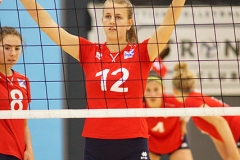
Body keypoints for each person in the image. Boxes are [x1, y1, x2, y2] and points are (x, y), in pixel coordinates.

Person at [16, 0, 186, 159]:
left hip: (133, 141)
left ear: (129, 23)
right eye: (108, 16)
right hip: (96, 141)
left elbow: (168, 23)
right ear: (102, 20)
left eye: (118, 17)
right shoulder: (88, 51)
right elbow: (47, 24)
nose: (112, 21)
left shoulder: (142, 52)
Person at [172, 62, 240, 160]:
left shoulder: (191, 101)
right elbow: (215, 136)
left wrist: (235, 156)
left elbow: (220, 122)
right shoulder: (194, 99)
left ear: (174, 90)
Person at [0, 26, 34, 160]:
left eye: (17, 48)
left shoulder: (23, 81)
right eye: (7, 48)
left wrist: (29, 149)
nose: (13, 53)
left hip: (18, 152)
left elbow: (24, 123)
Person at [144, 70, 193, 160]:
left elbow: (188, 106)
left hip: (175, 142)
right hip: (151, 145)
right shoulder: (140, 106)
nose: (152, 94)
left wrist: (183, 123)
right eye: (148, 90)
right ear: (143, 90)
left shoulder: (173, 101)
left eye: (156, 89)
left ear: (163, 89)